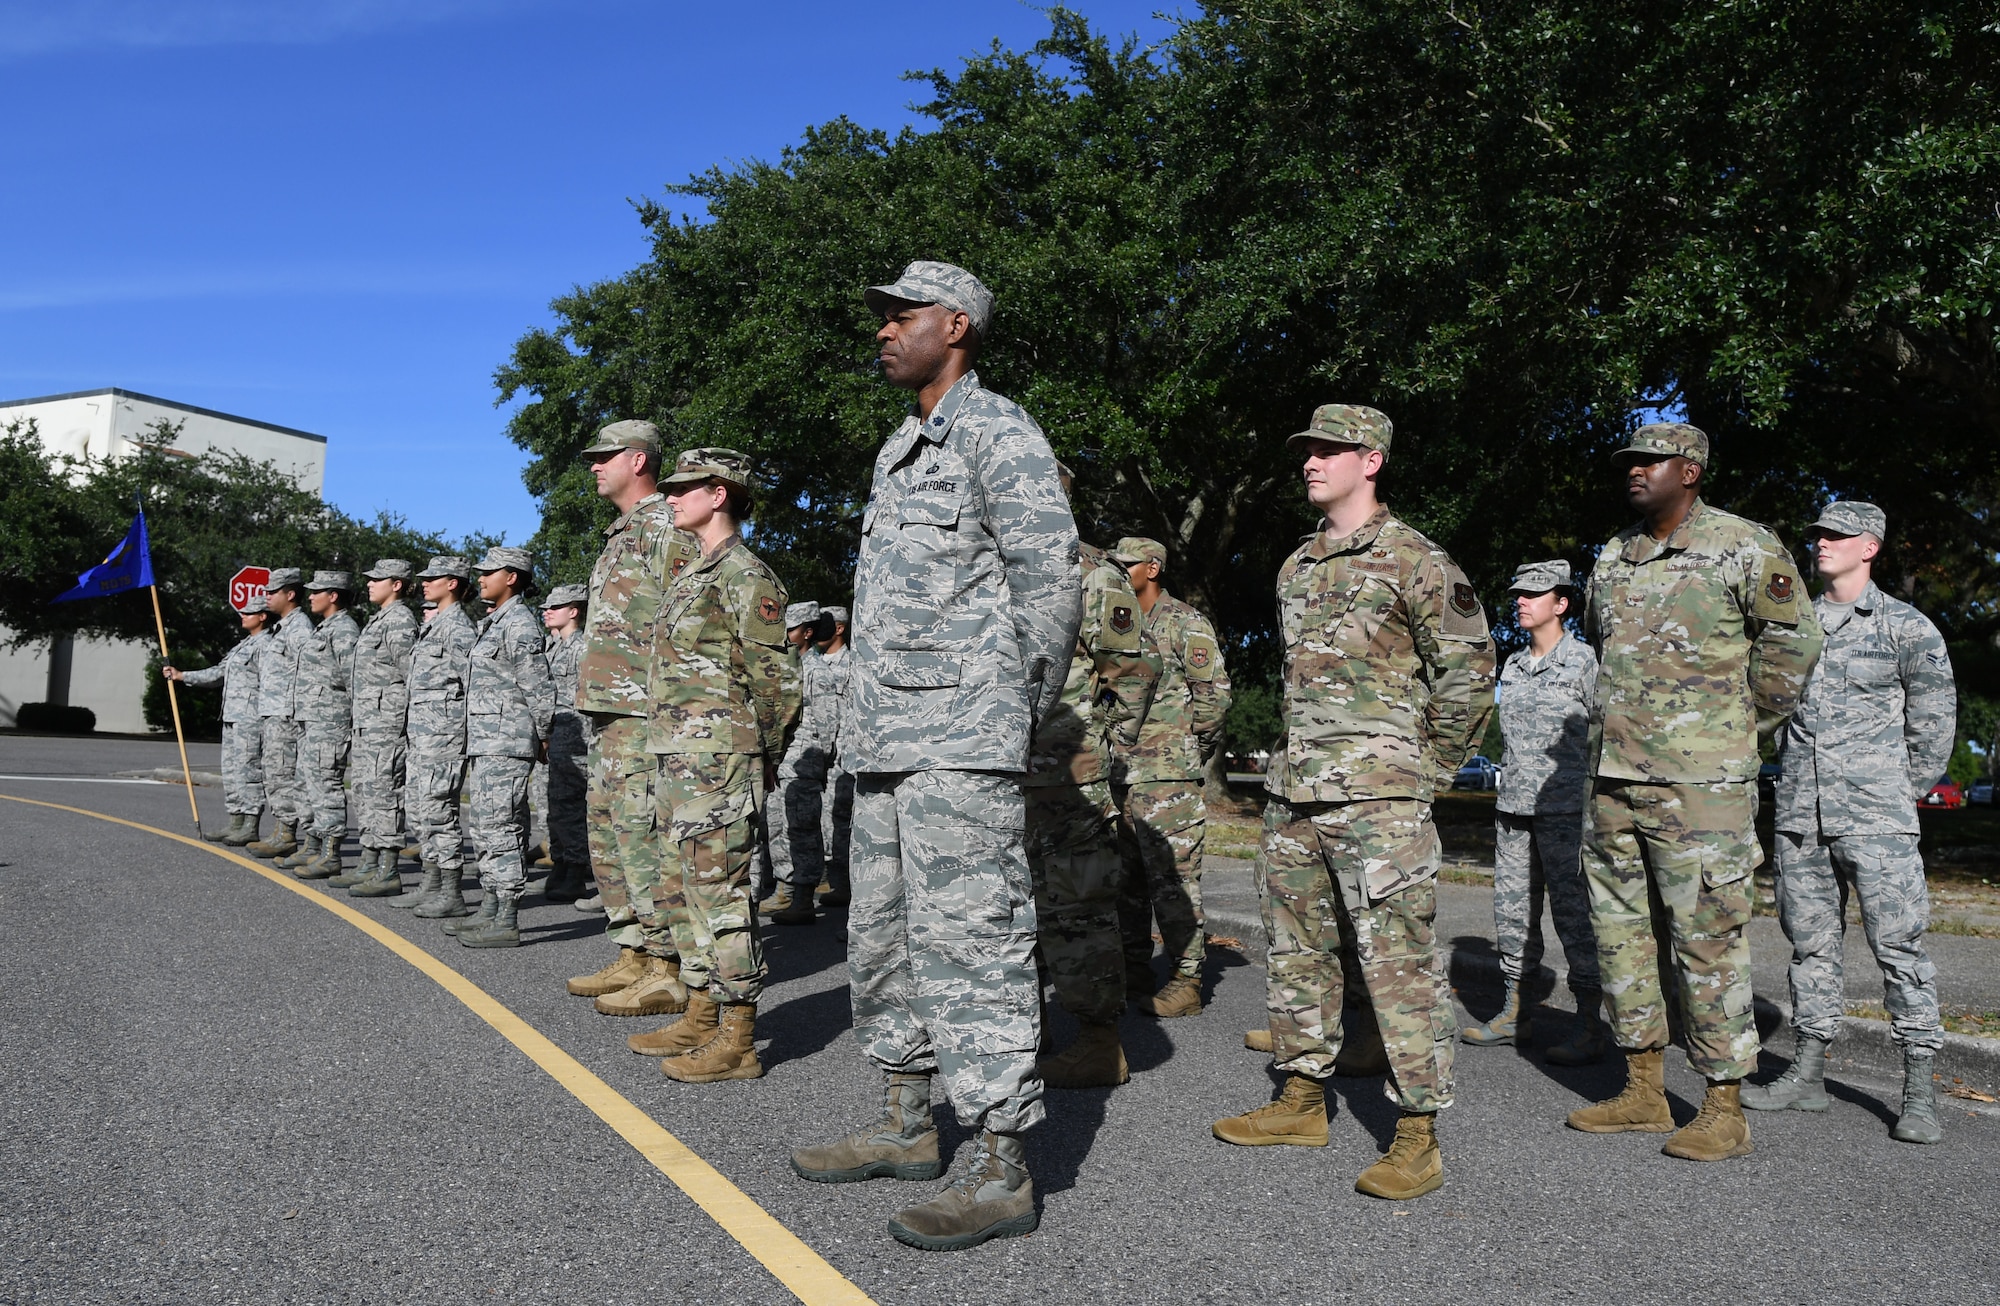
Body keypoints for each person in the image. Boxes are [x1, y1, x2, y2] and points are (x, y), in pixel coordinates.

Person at [790, 261, 1081, 1252]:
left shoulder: (999, 433)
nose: (881, 330)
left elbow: (1049, 592)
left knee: (973, 946)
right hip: (885, 742)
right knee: (881, 940)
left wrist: (1002, 714)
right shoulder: (899, 448)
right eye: (878, 315)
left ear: (953, 324)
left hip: (960, 742)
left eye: (899, 314)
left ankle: (1001, 1164)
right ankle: (909, 1125)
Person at [1212, 403, 1493, 1205]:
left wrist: (1419, 770)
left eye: (1328, 450)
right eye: (1306, 450)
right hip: (1294, 794)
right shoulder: (1296, 565)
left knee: (1398, 966)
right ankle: (1301, 1102)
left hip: (1378, 802)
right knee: (1297, 955)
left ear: (1370, 460)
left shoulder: (1417, 560)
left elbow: (1470, 673)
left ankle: (1417, 1135)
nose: (1310, 462)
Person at [1569, 422, 1822, 1161]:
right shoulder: (1616, 554)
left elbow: (1793, 645)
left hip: (1701, 785)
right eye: (1630, 463)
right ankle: (1643, 1087)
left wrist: (1739, 728)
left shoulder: (1744, 545)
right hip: (1614, 779)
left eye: (1650, 462)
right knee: (1622, 938)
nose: (1635, 472)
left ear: (1691, 470)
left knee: (1705, 939)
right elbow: (1600, 642)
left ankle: (1722, 1105)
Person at [1745, 501, 1956, 1143]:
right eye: (1817, 534)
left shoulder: (1907, 628)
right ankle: (1807, 1075)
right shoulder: (1791, 626)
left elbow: (1934, 725)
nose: (1821, 543)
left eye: (1836, 535)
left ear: (1870, 547)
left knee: (1900, 950)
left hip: (1877, 820)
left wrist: (1894, 792)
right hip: (1801, 816)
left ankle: (1919, 1091)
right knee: (1810, 948)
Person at [629, 447, 794, 1082]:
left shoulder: (747, 577)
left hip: (720, 761)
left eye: (685, 487)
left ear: (719, 494)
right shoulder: (693, 573)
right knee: (681, 890)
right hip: (678, 760)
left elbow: (778, 683)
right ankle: (701, 1012)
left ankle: (739, 1038)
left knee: (721, 897)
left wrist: (760, 757)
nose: (670, 497)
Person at [564, 420, 701, 1015]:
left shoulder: (665, 527)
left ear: (638, 459)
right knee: (614, 836)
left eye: (605, 456)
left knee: (646, 837)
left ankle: (669, 965)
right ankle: (637, 951)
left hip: (646, 711)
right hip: (612, 712)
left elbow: (691, 615)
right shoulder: (623, 533)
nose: (594, 466)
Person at [1459, 560, 1606, 1062]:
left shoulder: (1587, 663)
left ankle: (1590, 1022)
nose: (1520, 600)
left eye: (1533, 594)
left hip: (1567, 815)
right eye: (1517, 593)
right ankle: (1515, 1012)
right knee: (1513, 915)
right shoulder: (1514, 666)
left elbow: (1606, 738)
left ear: (1561, 604)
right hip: (1513, 811)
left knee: (1575, 919)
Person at [1105, 536, 1232, 1019]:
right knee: (1123, 884)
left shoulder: (1184, 621)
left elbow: (1214, 697)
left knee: (1175, 883)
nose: (1120, 571)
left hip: (1167, 779)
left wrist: (1188, 755)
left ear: (1153, 567)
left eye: (1128, 564)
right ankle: (1132, 969)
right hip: (1118, 773)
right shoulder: (1114, 621)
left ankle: (1186, 979)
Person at [444, 546, 556, 948]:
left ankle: (507, 916)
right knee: (486, 826)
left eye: (489, 572)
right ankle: (490, 907)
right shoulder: (494, 623)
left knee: (503, 826)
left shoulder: (520, 624)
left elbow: (539, 687)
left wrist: (543, 734)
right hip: (488, 740)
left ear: (512, 577)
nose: (481, 578)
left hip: (508, 741)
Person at [401, 558, 480, 918]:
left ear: (452, 583)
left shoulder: (458, 628)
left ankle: (452, 892)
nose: (425, 583)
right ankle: (430, 884)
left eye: (432, 578)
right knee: (421, 810)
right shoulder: (436, 627)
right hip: (422, 737)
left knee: (439, 810)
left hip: (443, 737)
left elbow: (474, 684)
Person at [163, 595, 273, 846]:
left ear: (263, 616)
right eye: (242, 612)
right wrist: (182, 675)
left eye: (248, 613)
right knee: (232, 771)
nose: (242, 616)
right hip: (233, 717)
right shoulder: (243, 645)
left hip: (251, 718)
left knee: (248, 772)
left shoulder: (267, 645)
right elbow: (217, 673)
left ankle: (250, 825)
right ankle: (235, 821)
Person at [342, 560, 421, 898]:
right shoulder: (379, 620)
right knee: (365, 792)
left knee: (385, 794)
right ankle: (369, 860)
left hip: (386, 725)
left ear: (398, 584)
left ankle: (388, 869)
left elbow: (412, 676)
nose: (371, 584)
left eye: (378, 580)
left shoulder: (401, 621)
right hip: (367, 724)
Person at [283, 571, 361, 879]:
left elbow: (353, 679)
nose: (310, 596)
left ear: (334, 595)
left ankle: (331, 853)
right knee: (308, 784)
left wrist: (353, 722)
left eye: (317, 591)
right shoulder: (323, 629)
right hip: (311, 721)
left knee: (326, 785)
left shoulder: (343, 630)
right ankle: (313, 844)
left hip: (331, 722)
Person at [762, 601, 827, 925]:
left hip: (804, 761)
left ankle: (803, 896)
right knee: (777, 826)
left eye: (791, 629)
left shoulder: (817, 670)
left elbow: (827, 724)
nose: (785, 635)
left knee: (802, 829)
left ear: (808, 631)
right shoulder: (784, 666)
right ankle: (785, 887)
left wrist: (821, 761)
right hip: (782, 759)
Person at [246, 570, 311, 859]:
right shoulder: (281, 628)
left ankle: (287, 833)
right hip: (273, 712)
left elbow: (307, 672)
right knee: (274, 773)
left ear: (291, 594)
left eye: (273, 592)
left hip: (287, 714)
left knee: (283, 773)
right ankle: (279, 829)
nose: (267, 597)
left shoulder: (300, 629)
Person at [539, 583, 594, 904]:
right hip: (554, 735)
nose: (547, 611)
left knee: (572, 805)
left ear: (573, 611)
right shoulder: (551, 647)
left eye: (555, 607)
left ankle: (575, 868)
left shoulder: (581, 647)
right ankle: (560, 861)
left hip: (575, 737)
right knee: (554, 804)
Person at [809, 604, 855, 907]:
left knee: (840, 818)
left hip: (843, 754)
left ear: (839, 628)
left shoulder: (852, 664)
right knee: (814, 818)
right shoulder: (810, 663)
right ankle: (820, 875)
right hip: (813, 750)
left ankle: (843, 882)